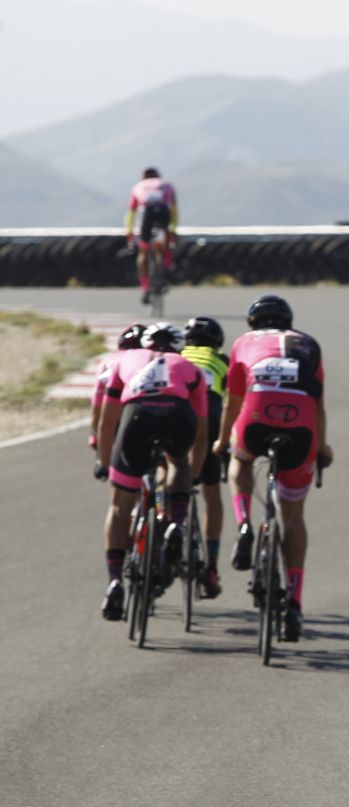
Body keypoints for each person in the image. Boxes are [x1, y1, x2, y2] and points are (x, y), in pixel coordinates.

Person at [215, 293, 333, 642]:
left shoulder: (242, 343)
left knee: (241, 458)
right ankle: (294, 602)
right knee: (293, 516)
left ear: (253, 324)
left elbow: (233, 405)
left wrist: (222, 443)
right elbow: (318, 406)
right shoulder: (309, 344)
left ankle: (243, 525)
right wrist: (322, 449)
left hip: (256, 418)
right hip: (300, 426)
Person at [96, 322, 208, 620]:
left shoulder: (124, 360)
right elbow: (202, 431)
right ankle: (177, 521)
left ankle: (116, 579)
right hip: (177, 415)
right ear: (179, 348)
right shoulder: (189, 366)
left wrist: (105, 463)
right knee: (178, 462)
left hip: (137, 417)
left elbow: (108, 422)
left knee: (120, 508)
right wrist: (192, 474)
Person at [180, 316, 230, 598]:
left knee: (169, 472)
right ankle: (210, 565)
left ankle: (164, 518)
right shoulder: (221, 359)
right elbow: (233, 400)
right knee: (212, 493)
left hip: (174, 410)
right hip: (208, 416)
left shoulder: (176, 356)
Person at [90, 323, 145, 472]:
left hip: (115, 415)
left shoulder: (109, 360)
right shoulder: (149, 358)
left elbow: (97, 403)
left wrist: (95, 434)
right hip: (145, 412)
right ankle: (160, 493)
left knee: (120, 470)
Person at [124, 168, 179, 304]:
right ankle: (166, 266)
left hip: (147, 213)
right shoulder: (166, 185)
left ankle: (145, 287)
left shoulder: (138, 186)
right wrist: (172, 230)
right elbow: (174, 210)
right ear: (158, 176)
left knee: (144, 250)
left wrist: (129, 232)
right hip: (163, 212)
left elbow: (131, 213)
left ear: (143, 177)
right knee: (166, 244)